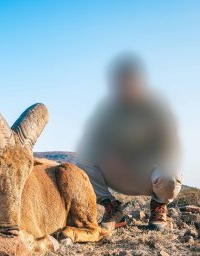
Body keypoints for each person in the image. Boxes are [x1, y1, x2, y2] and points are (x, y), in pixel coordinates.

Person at [77, 53, 182, 231]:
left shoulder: (157, 109)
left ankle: (158, 207)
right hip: (118, 174)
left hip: (149, 174)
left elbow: (171, 147)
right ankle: (113, 208)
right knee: (84, 160)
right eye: (121, 83)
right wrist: (108, 156)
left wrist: (143, 162)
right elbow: (90, 141)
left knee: (170, 173)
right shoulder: (107, 111)